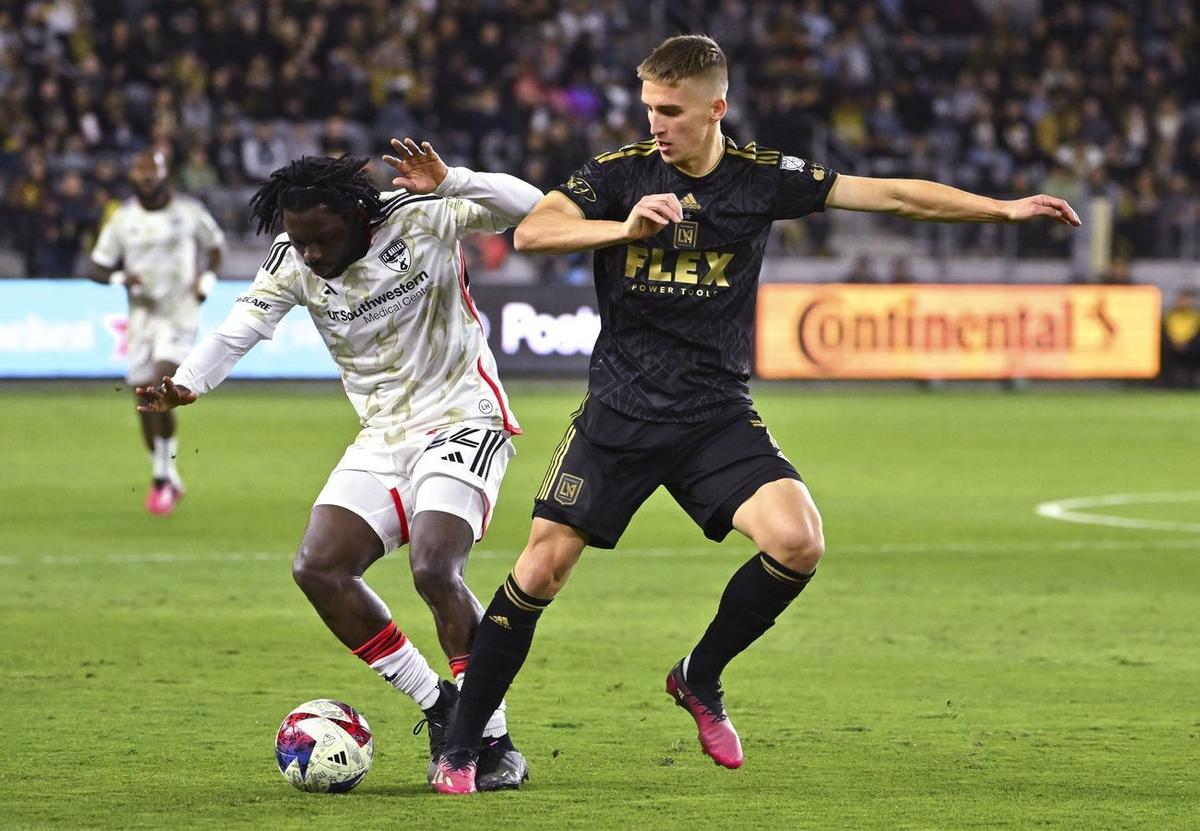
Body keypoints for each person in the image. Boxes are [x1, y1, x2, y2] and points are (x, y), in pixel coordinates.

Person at [431, 35, 1081, 794]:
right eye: (648, 108)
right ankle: (461, 745)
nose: (657, 124)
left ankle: (698, 675)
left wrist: (1003, 209)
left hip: (714, 414)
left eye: (670, 110)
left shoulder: (761, 180)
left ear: (717, 108)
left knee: (798, 540)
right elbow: (534, 230)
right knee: (540, 568)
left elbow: (892, 193)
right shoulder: (619, 175)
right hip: (620, 411)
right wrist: (624, 228)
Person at [135, 142, 543, 790]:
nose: (312, 255)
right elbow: (240, 327)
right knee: (318, 567)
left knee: (435, 566)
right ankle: (442, 708)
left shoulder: (420, 215)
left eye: (322, 238)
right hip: (383, 435)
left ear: (359, 213)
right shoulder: (293, 263)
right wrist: (187, 382)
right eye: (300, 242)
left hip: (464, 416)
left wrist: (452, 182)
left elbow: (534, 209)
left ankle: (489, 743)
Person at [89, 148, 225, 516]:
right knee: (144, 403)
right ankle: (166, 471)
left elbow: (215, 248)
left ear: (165, 175)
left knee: (158, 380)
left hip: (180, 312)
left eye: (153, 172)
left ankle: (162, 480)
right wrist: (121, 277)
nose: (146, 178)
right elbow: (97, 268)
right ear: (133, 176)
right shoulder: (123, 219)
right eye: (140, 172)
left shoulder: (189, 212)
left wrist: (207, 281)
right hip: (142, 318)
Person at [1161, 287, 1200, 388]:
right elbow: (1165, 334)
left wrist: (1188, 344)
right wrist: (1175, 344)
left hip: (1192, 348)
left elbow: (1196, 335)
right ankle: (1166, 383)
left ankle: (1193, 382)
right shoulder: (1169, 316)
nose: (1186, 303)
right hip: (1171, 347)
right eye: (1183, 299)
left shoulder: (1196, 316)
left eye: (1188, 300)